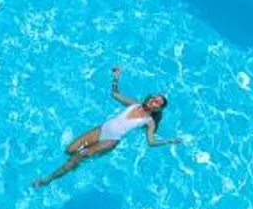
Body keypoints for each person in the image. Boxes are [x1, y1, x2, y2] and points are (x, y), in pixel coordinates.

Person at [34, 68, 176, 186]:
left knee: (77, 156)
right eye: (154, 98)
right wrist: (115, 78)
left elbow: (151, 142)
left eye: (157, 102)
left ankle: (48, 180)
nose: (153, 101)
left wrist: (168, 141)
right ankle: (73, 166)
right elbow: (115, 94)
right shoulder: (134, 103)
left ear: (158, 109)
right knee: (69, 150)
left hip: (110, 140)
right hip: (100, 130)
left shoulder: (149, 121)